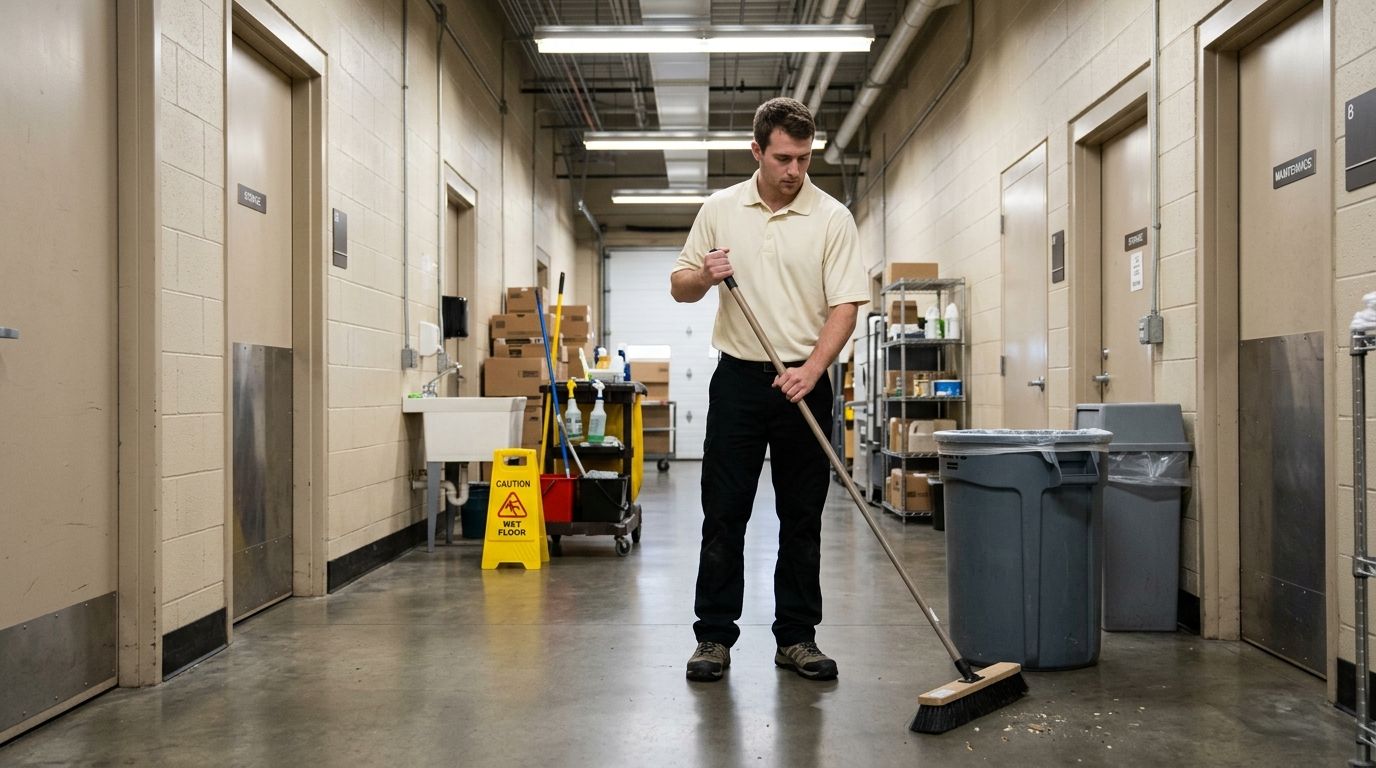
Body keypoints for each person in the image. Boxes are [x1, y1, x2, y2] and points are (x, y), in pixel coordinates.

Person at [670, 97, 869, 683]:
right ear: (756, 151)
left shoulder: (832, 217)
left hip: (803, 381)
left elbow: (846, 305)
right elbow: (681, 285)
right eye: (783, 157)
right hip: (738, 378)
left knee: (802, 516)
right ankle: (713, 639)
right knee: (724, 512)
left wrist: (813, 368)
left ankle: (797, 638)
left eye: (804, 159)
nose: (794, 171)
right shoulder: (720, 208)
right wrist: (706, 275)